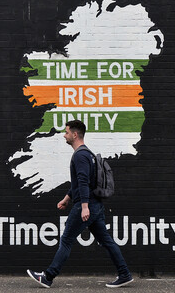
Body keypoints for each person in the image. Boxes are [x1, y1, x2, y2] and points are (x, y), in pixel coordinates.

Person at [27, 119, 133, 288]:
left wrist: (84, 207)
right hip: (95, 204)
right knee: (106, 241)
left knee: (67, 240)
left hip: (87, 205)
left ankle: (48, 277)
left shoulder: (80, 155)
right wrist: (67, 198)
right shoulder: (87, 154)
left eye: (67, 132)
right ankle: (125, 274)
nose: (64, 135)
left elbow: (83, 182)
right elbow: (79, 183)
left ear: (75, 135)